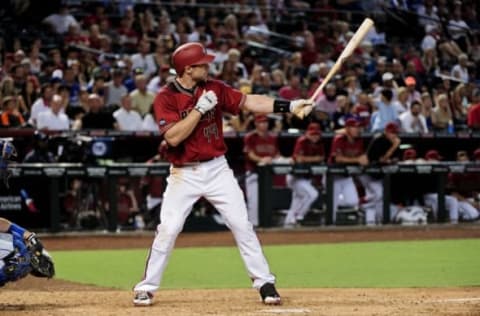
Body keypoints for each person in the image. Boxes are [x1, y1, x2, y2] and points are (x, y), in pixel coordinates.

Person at [132, 42, 312, 306]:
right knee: (168, 229)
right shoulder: (166, 97)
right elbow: (172, 137)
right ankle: (146, 287)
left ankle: (265, 283)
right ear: (188, 69)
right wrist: (199, 110)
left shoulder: (214, 87)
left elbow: (249, 101)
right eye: (202, 63)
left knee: (241, 224)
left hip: (217, 169)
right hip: (184, 173)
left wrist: (289, 106)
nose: (208, 66)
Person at [328, 118, 368, 224]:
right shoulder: (339, 139)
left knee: (353, 201)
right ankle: (329, 226)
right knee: (332, 205)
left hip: (346, 176)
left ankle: (328, 201)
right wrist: (357, 160)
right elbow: (338, 159)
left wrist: (364, 159)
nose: (357, 129)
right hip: (333, 176)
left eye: (358, 127)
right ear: (347, 129)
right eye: (354, 127)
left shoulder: (359, 140)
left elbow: (361, 156)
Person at [284, 122, 324, 227]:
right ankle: (298, 216)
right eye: (312, 134)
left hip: (305, 177)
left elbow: (322, 158)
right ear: (307, 133)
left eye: (316, 134)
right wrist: (314, 159)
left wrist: (310, 160)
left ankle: (289, 222)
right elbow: (299, 159)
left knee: (298, 200)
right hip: (295, 177)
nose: (314, 137)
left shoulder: (320, 144)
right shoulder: (302, 141)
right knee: (312, 194)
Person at [362, 122, 401, 225]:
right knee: (378, 194)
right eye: (392, 133)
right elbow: (382, 160)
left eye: (395, 133)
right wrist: (394, 147)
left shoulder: (392, 142)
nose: (394, 135)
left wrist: (391, 159)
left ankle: (374, 220)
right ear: (386, 132)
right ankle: (363, 206)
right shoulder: (378, 140)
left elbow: (395, 159)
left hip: (379, 175)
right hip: (368, 174)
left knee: (381, 197)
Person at [244, 115, 280, 227]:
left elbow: (276, 154)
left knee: (267, 200)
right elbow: (250, 154)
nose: (264, 124)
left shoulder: (272, 137)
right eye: (261, 122)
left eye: (265, 122)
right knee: (253, 200)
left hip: (267, 175)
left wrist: (272, 159)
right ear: (256, 123)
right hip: (253, 172)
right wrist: (262, 160)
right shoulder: (250, 137)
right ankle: (252, 225)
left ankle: (265, 224)